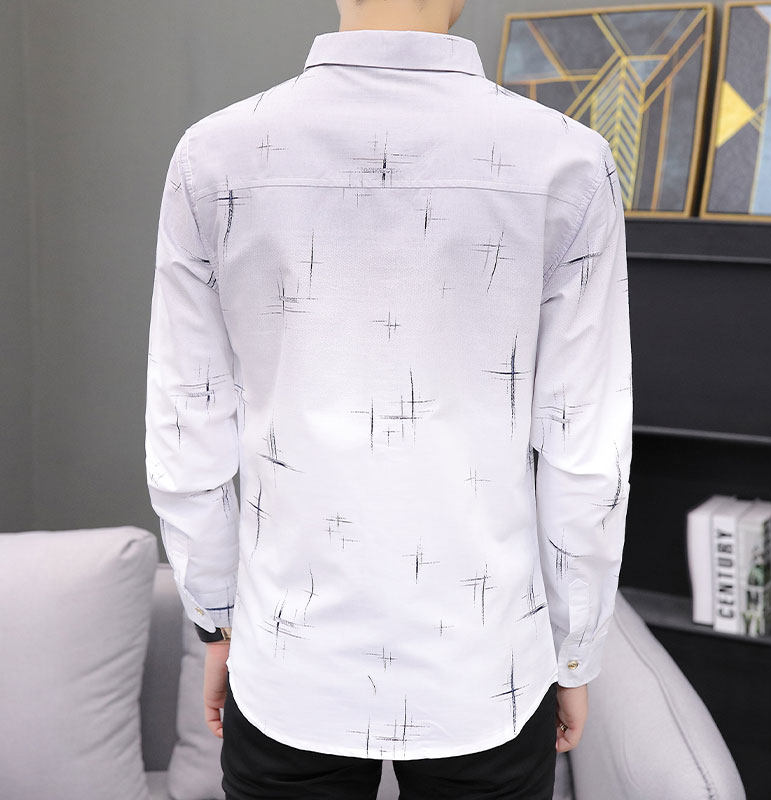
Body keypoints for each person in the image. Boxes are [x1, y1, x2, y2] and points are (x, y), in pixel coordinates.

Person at [144, 0, 633, 797]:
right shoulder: (567, 162)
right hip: (486, 671)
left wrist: (215, 619)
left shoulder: (214, 157)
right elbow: (585, 449)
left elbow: (187, 422)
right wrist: (573, 651)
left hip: (288, 662)